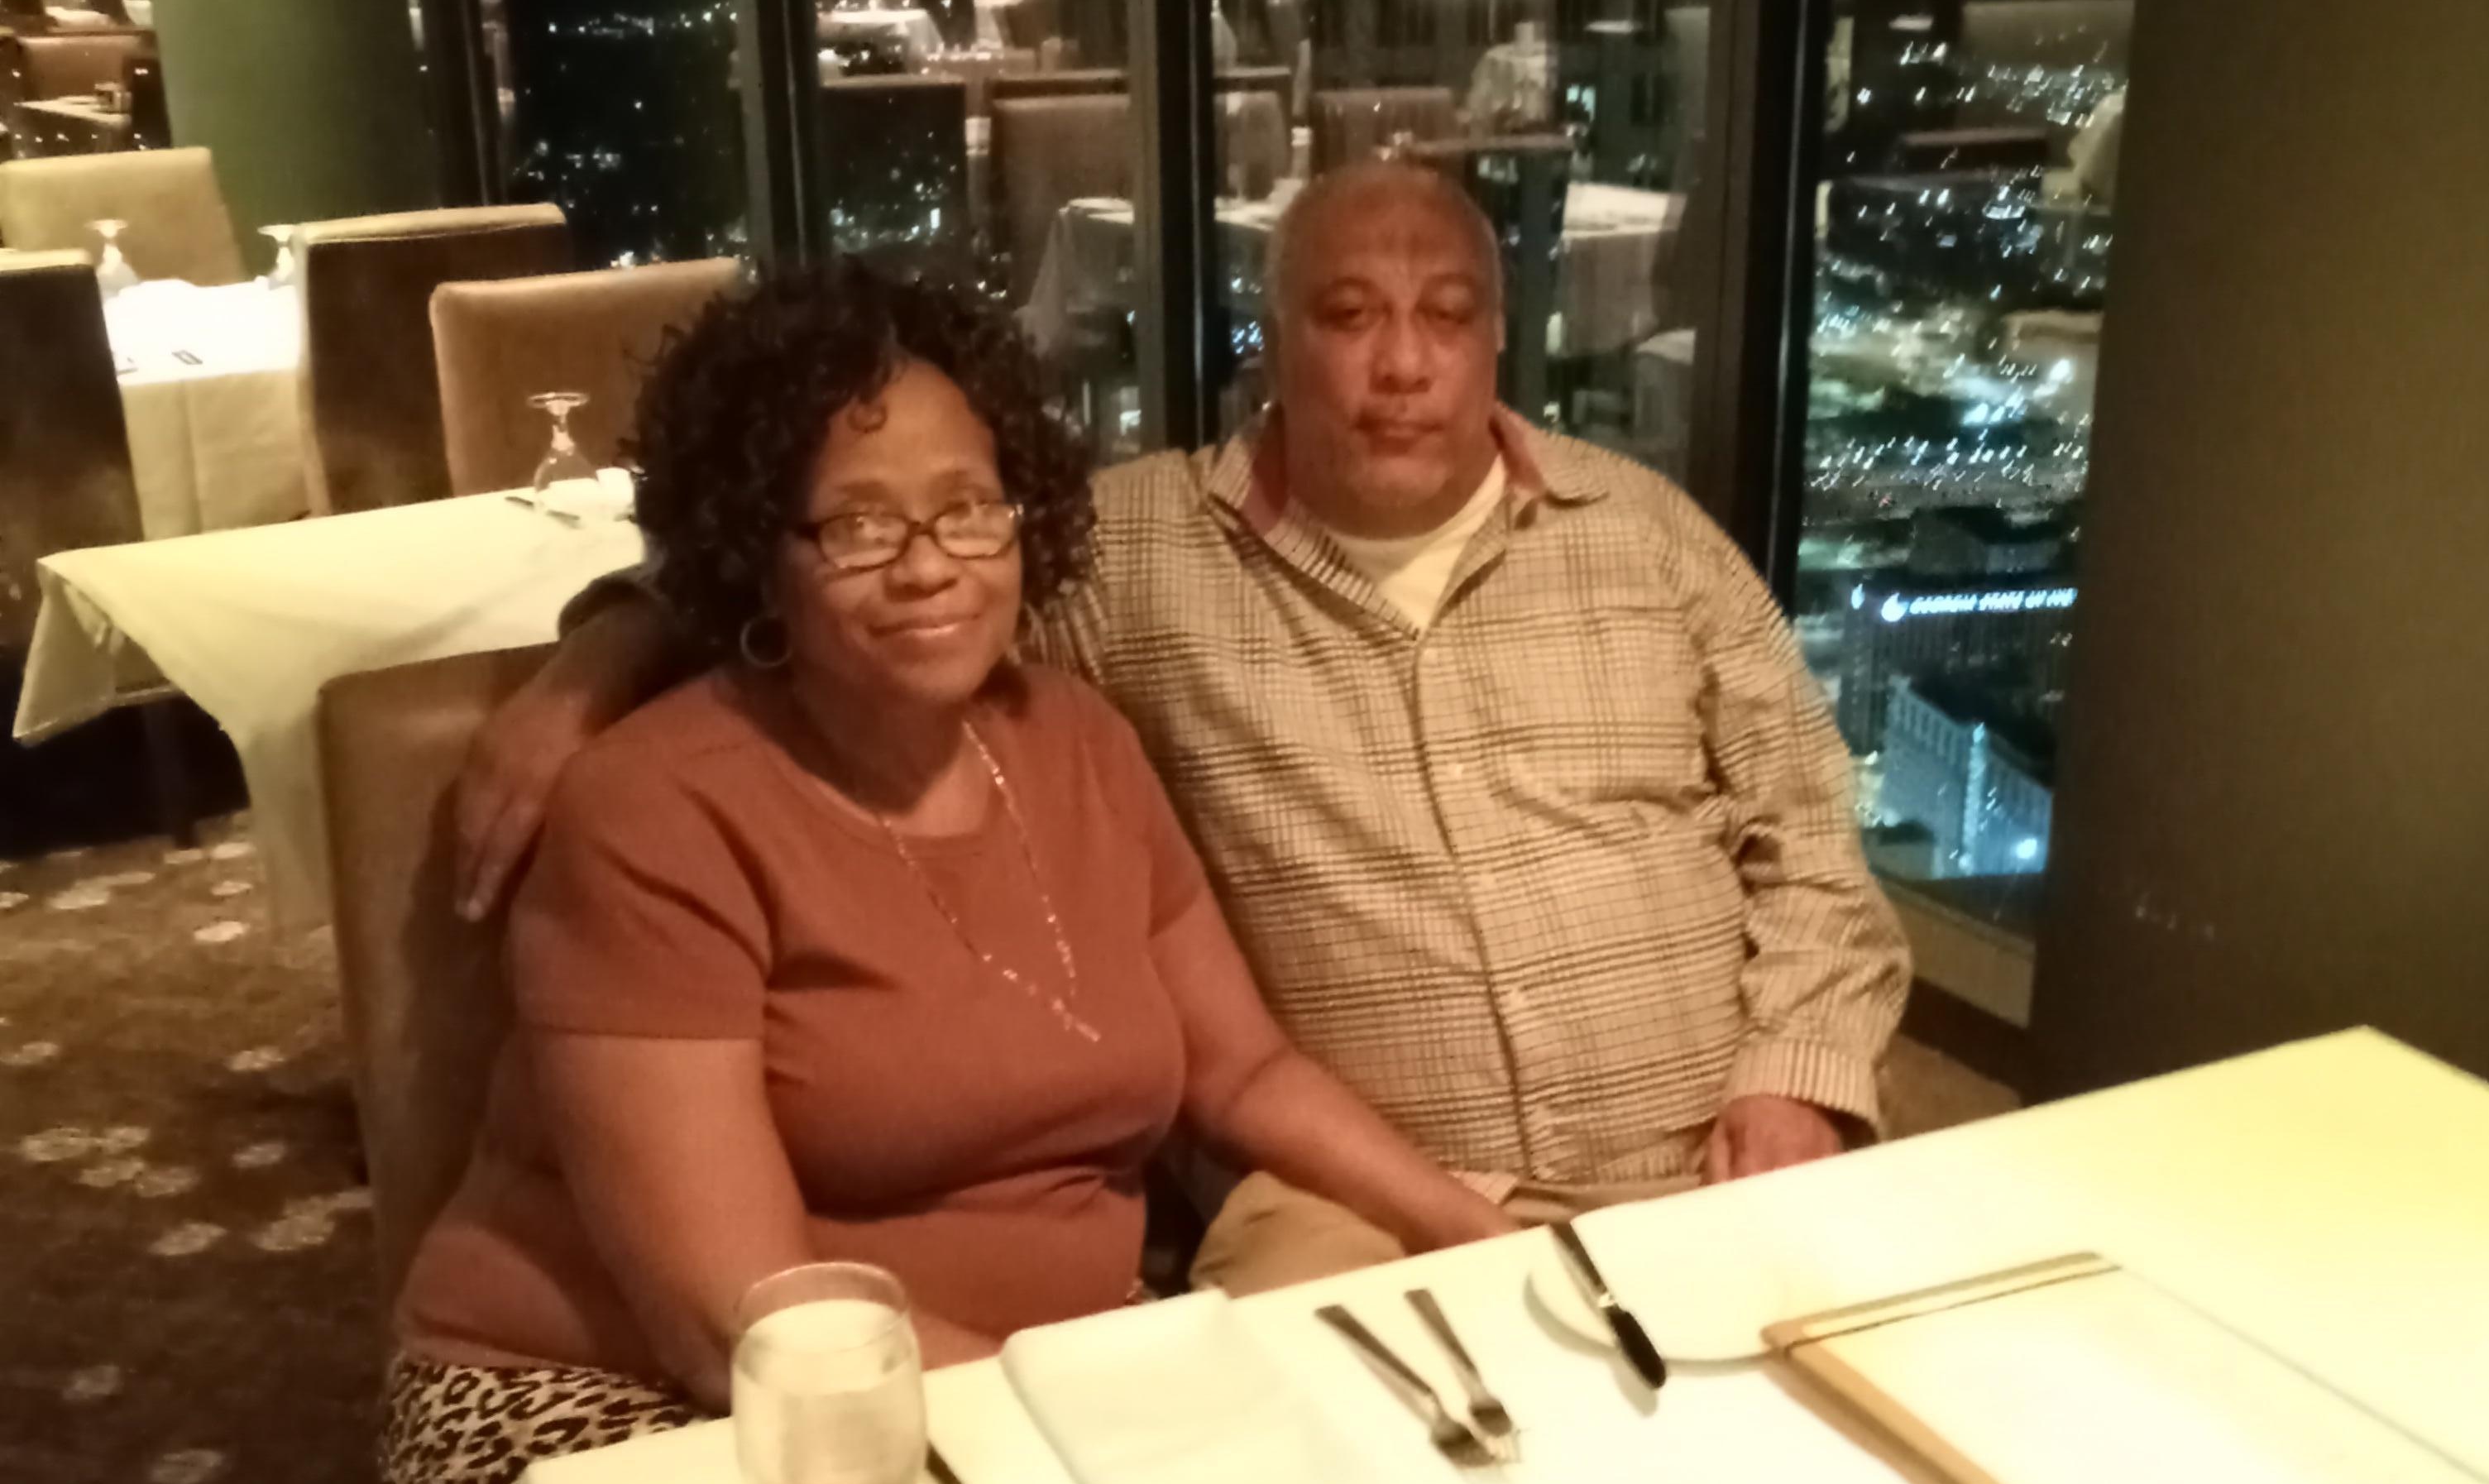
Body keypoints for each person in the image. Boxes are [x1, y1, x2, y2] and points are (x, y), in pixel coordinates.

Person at [456, 160, 1909, 1295]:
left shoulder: (1649, 536)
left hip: (1712, 1146)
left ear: (1498, 340)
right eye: (1351, 316)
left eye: (1447, 316)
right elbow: (863, 582)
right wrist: (606, 656)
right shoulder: (1129, 556)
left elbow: (1813, 843)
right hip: (1352, 1190)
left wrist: (1795, 1082)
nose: (1404, 364)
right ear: (1274, 342)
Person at [386, 261, 1508, 1484]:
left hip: (1027, 1378)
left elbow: (1245, 1071)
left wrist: (1478, 1235)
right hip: (642, 1405)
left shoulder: (1076, 740)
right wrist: (1108, 1437)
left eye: (969, 507)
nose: (929, 565)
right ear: (755, 549)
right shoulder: (655, 808)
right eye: (858, 525)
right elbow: (739, 1321)